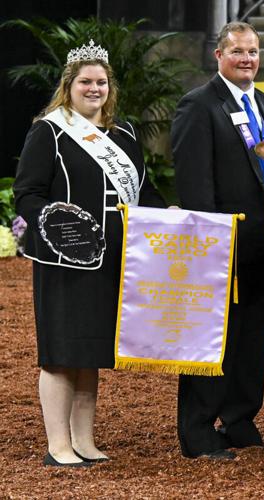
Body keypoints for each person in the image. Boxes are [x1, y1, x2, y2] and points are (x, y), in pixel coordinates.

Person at [14, 39, 165, 467]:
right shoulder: (49, 131)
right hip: (65, 258)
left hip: (117, 256)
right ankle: (57, 445)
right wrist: (60, 227)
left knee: (90, 350)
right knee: (62, 352)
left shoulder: (126, 133)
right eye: (85, 81)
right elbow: (26, 194)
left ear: (109, 87)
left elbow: (142, 190)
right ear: (69, 86)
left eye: (101, 82)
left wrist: (165, 210)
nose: (94, 88)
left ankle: (84, 441)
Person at [170, 21, 264, 459]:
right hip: (219, 249)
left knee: (252, 340)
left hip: (263, 249)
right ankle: (199, 430)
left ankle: (240, 419)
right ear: (219, 55)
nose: (247, 59)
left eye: (253, 51)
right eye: (238, 51)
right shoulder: (198, 105)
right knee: (211, 340)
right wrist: (209, 243)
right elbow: (193, 184)